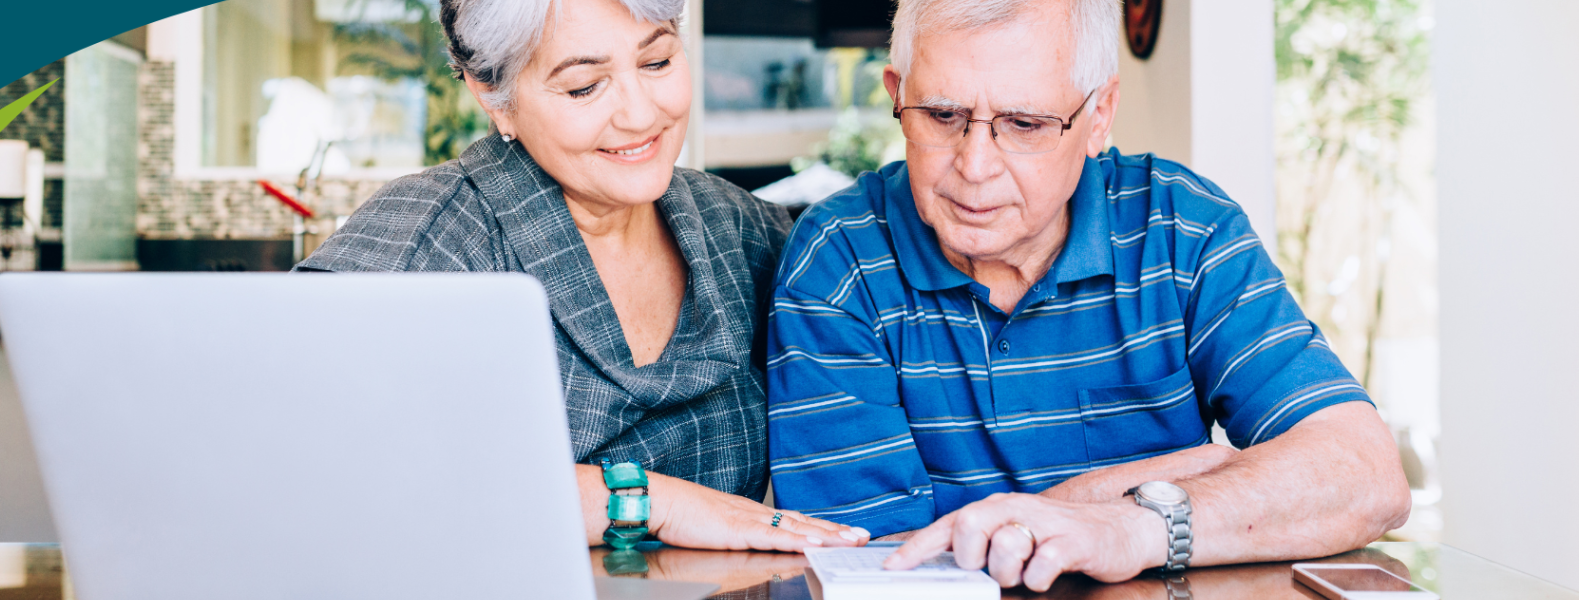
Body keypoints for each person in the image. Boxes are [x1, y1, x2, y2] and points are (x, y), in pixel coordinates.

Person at [765, 0, 1410, 590]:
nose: (975, 165)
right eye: (942, 115)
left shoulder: (1182, 228)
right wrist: (1162, 480)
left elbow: (1365, 475)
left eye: (1023, 123)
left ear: (1098, 116)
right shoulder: (839, 260)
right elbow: (881, 566)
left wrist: (1135, 527)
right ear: (896, 95)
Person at [295, 0, 866, 552]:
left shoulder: (738, 228)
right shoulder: (426, 241)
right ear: (495, 97)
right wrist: (649, 503)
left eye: (657, 62)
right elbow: (304, 471)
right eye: (583, 87)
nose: (640, 114)